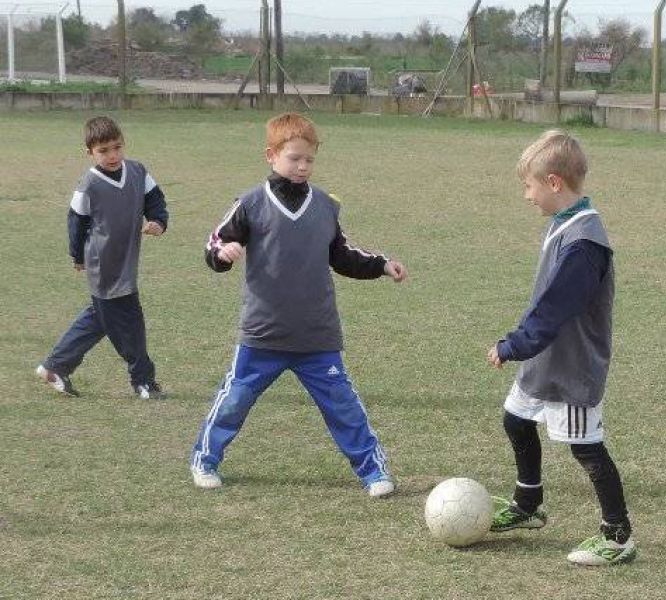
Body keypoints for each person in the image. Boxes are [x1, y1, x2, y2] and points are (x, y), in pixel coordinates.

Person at [189, 113, 408, 497]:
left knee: (344, 407)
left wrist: (381, 265)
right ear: (271, 156)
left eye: (309, 159)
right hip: (262, 334)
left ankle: (373, 471)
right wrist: (221, 254)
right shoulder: (250, 204)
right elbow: (214, 243)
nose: (302, 166)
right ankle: (205, 459)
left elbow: (343, 256)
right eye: (294, 158)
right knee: (234, 401)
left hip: (316, 336)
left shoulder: (325, 206)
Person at [487, 130, 636, 566]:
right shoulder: (565, 224)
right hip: (545, 360)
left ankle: (618, 535)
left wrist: (512, 345)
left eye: (529, 185)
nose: (526, 195)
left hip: (570, 366)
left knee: (586, 446)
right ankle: (527, 504)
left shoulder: (585, 242)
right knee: (516, 420)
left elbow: (554, 309)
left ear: (554, 183)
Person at [36, 116, 169, 400]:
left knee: (100, 318)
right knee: (128, 323)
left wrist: (158, 220)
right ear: (90, 153)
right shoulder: (89, 185)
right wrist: (77, 255)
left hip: (126, 261)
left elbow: (155, 198)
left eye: (117, 147)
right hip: (103, 264)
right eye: (104, 150)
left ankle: (55, 366)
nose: (112, 155)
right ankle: (143, 380)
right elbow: (76, 222)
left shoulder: (137, 171)